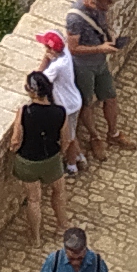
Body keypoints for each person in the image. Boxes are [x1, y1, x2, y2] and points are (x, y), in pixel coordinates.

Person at [61, 0, 134, 155]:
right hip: (83, 67)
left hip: (100, 62)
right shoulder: (75, 18)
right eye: (102, 7)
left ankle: (113, 133)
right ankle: (95, 137)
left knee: (110, 96)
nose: (104, 10)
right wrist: (100, 48)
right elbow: (73, 48)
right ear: (92, 1)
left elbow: (104, 24)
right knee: (87, 103)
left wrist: (111, 36)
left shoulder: (100, 8)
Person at [1, 68, 71, 240]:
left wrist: (13, 149)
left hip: (28, 161)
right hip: (51, 159)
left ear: (31, 91)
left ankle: (36, 238)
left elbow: (16, 140)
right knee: (59, 192)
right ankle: (62, 226)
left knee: (34, 200)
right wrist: (60, 154)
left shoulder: (24, 111)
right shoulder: (60, 112)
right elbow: (66, 139)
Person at [32, 30, 89, 175]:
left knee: (68, 138)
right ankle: (79, 157)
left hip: (67, 107)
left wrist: (45, 59)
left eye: (47, 47)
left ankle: (72, 167)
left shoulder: (56, 67)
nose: (45, 49)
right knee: (71, 133)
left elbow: (37, 78)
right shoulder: (65, 54)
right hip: (73, 100)